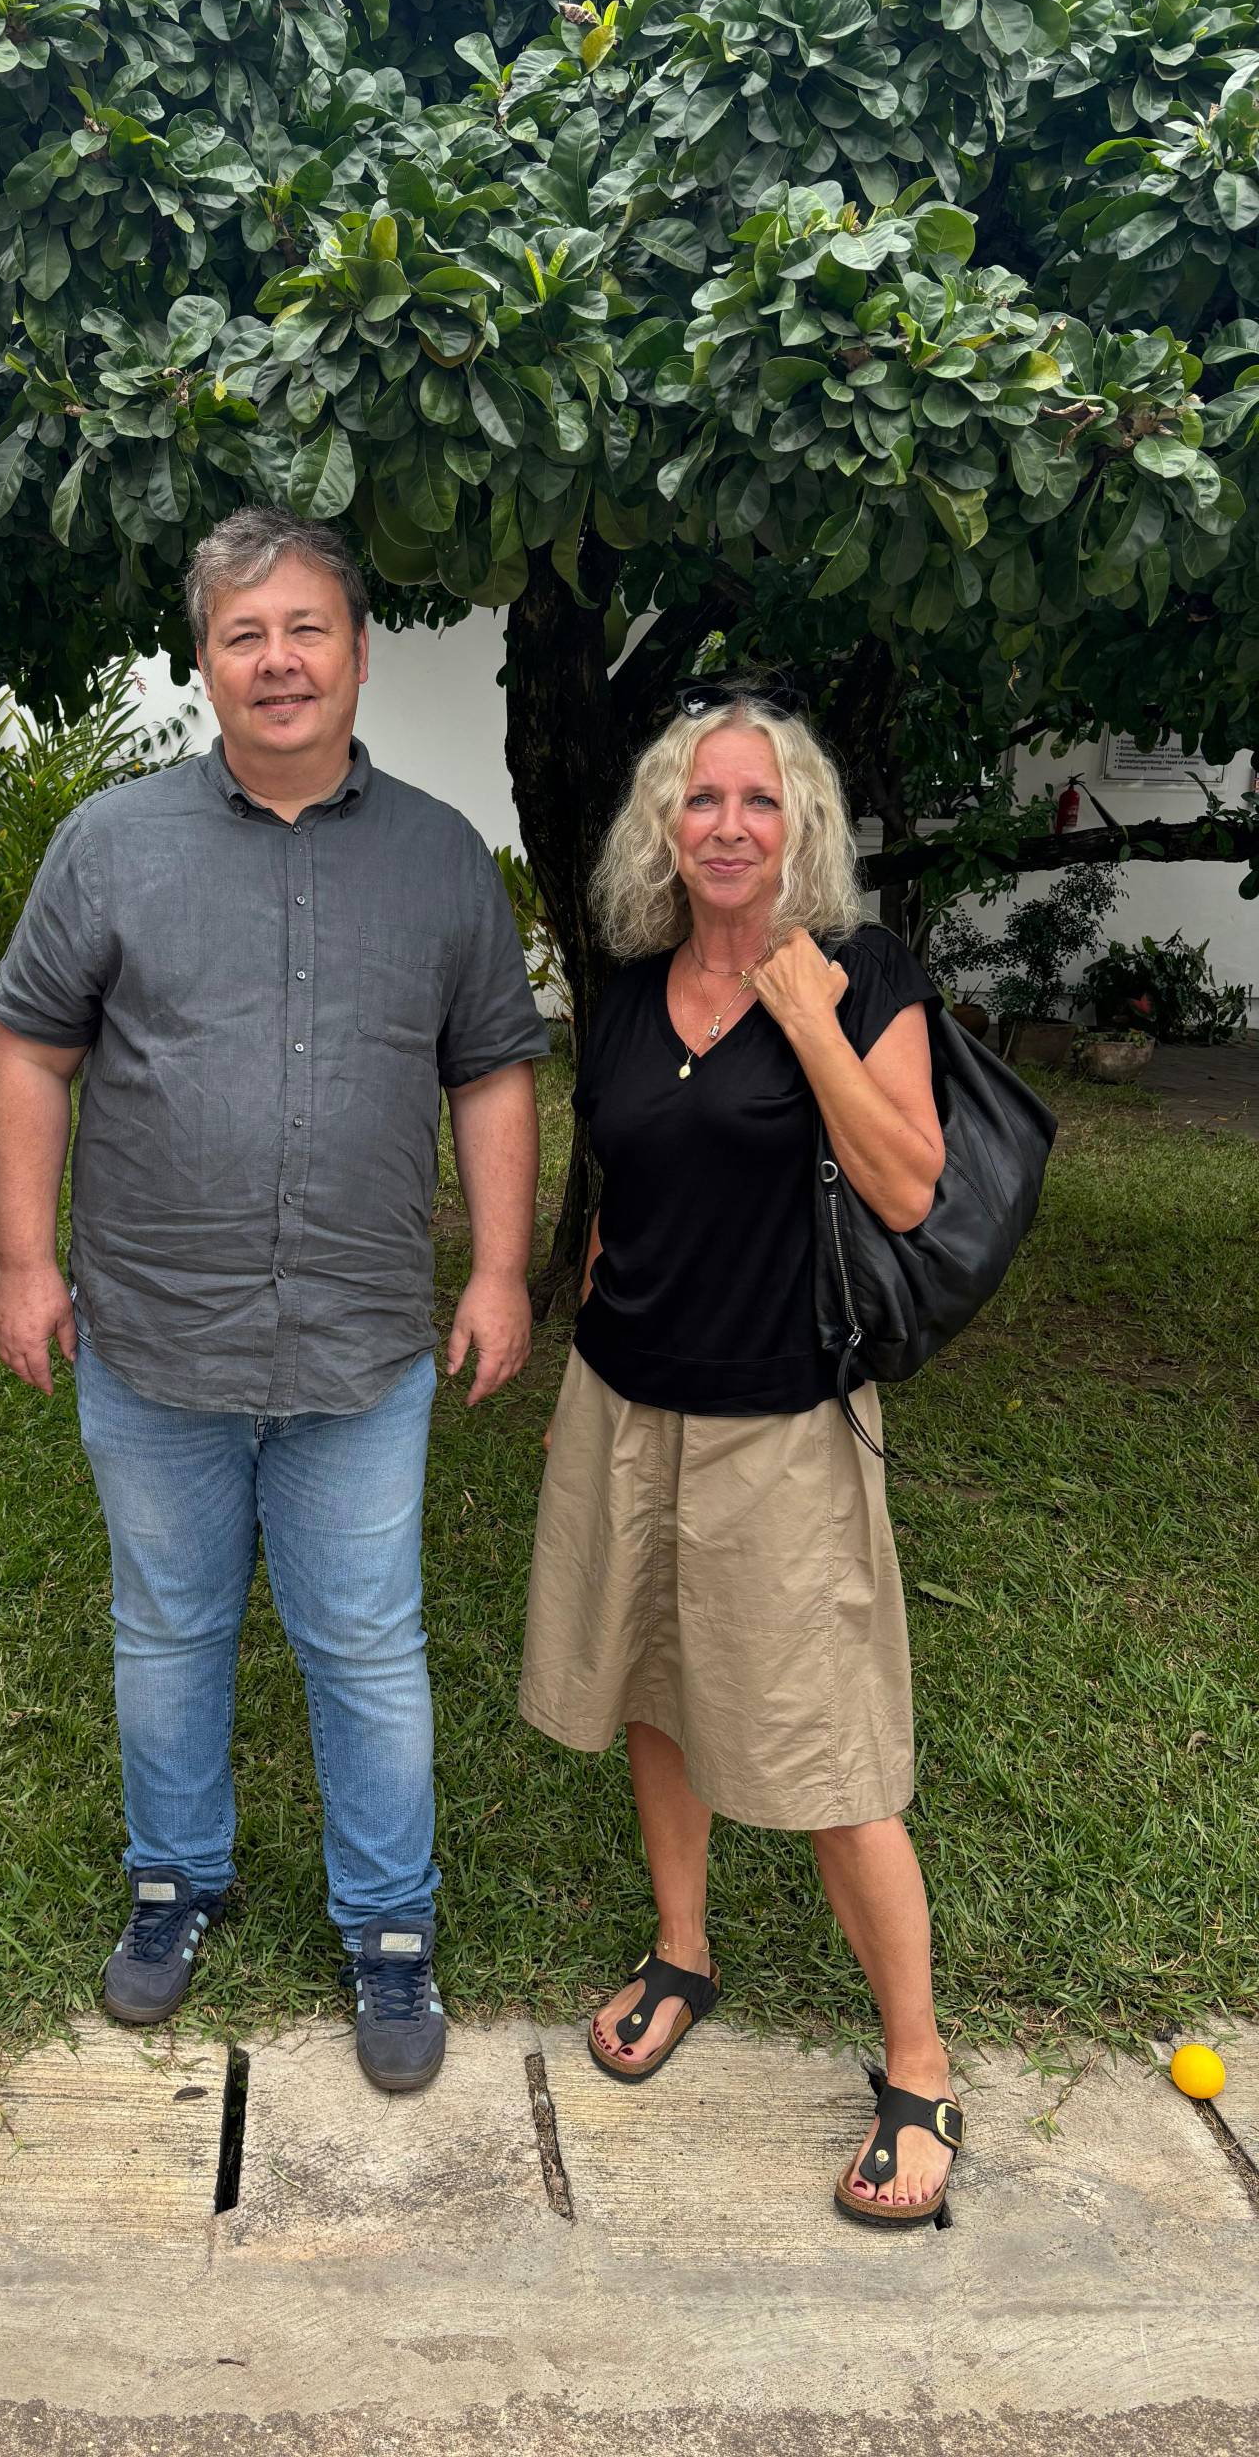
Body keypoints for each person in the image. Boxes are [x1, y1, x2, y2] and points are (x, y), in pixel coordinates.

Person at [0, 505, 549, 2092]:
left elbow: (494, 1072)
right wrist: (23, 1263)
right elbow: (29, 1050)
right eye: (246, 634)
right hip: (154, 1335)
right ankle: (176, 1881)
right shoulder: (111, 842)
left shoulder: (440, 854)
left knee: (365, 1643)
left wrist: (501, 1270)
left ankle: (390, 1927)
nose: (279, 660)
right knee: (167, 1630)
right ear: (205, 662)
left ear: (359, 654)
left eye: (308, 630)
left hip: (362, 1345)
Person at [519, 677, 963, 2228]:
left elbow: (908, 1185)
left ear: (801, 825)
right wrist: (589, 1343)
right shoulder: (631, 995)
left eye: (757, 800)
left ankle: (919, 2066)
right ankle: (683, 1950)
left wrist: (811, 1021)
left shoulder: (864, 974)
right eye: (699, 799)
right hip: (628, 1401)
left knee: (830, 1746)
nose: (727, 824)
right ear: (664, 826)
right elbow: (621, 1194)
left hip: (783, 1419)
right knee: (654, 1686)